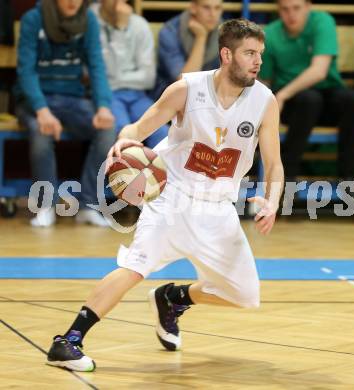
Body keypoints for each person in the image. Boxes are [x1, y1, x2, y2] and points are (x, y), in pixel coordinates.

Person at [46, 18, 284, 372]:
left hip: (218, 209)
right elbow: (137, 127)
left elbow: (274, 164)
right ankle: (67, 341)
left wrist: (273, 199)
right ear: (226, 54)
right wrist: (125, 141)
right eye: (249, 53)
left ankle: (174, 298)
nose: (257, 61)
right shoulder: (187, 89)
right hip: (171, 199)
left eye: (259, 54)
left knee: (244, 295)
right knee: (134, 267)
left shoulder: (265, 101)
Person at [14, 0, 115, 227]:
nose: (72, 1)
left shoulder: (88, 20)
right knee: (42, 135)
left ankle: (88, 205)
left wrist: (103, 106)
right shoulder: (33, 19)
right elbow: (26, 70)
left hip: (73, 97)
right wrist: (41, 110)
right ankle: (46, 205)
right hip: (34, 99)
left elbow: (97, 65)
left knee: (108, 131)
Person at [259, 0, 354, 182]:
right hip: (295, 105)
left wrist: (282, 95)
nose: (291, 14)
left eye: (297, 8)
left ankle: (348, 178)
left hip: (321, 93)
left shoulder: (322, 21)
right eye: (285, 9)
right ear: (278, 10)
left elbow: (319, 71)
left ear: (308, 6)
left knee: (353, 100)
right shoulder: (270, 33)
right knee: (310, 99)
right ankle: (286, 177)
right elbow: (264, 80)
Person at [91, 0, 168, 148]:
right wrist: (119, 29)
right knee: (124, 138)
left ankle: (161, 172)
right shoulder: (91, 22)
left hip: (138, 95)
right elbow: (105, 72)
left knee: (163, 135)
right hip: (107, 94)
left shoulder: (139, 24)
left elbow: (148, 78)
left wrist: (117, 78)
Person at [152, 0, 223, 100]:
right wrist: (201, 38)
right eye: (206, 8)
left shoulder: (225, 31)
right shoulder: (170, 32)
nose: (213, 14)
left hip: (211, 92)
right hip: (171, 94)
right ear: (193, 8)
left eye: (217, 8)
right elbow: (184, 81)